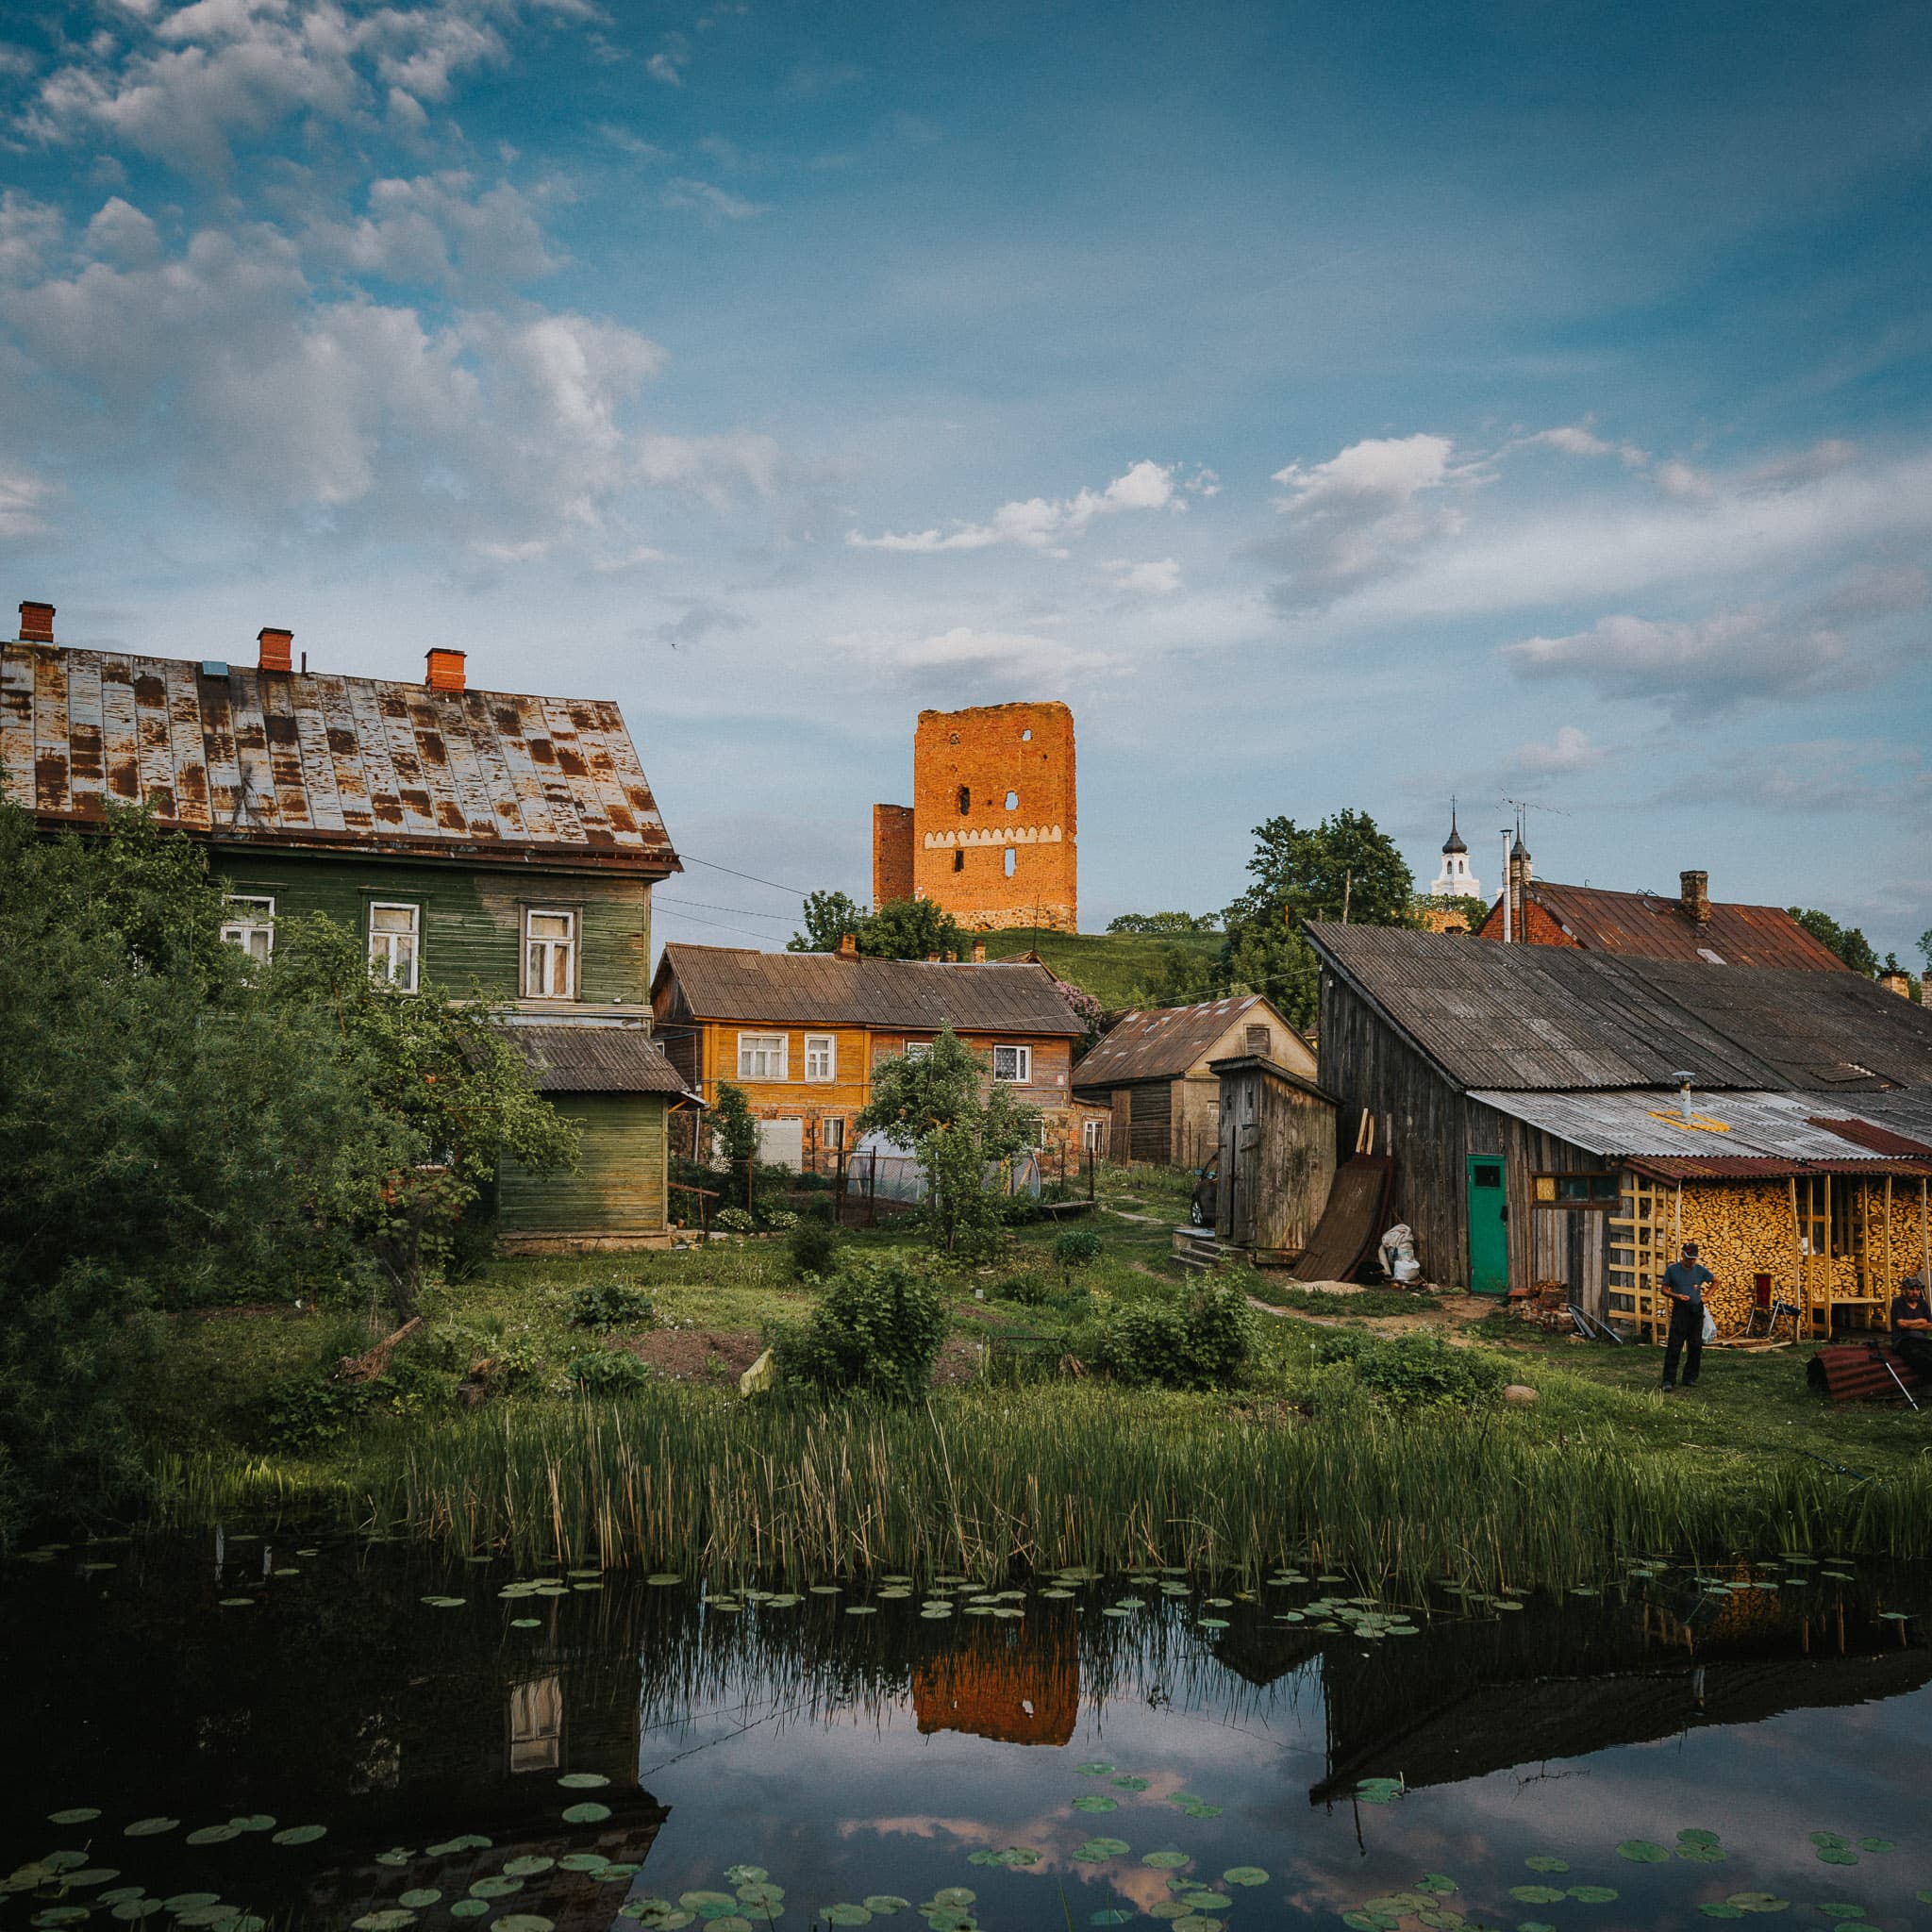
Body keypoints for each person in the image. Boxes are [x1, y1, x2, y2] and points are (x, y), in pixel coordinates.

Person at [1660, 1241, 1714, 1391]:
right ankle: (1668, 1381)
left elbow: (1716, 1281)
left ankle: (1690, 1377)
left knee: (1696, 1346)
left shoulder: (1700, 1270)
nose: (1691, 1261)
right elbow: (1664, 1289)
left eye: (1694, 1258)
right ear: (1683, 1255)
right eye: (1689, 1258)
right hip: (1680, 1311)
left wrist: (1707, 1296)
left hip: (1696, 1311)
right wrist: (1676, 1295)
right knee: (1674, 1346)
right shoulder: (1672, 1270)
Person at [1890, 1274, 1932, 1376]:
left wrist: (1910, 1324)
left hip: (1921, 1340)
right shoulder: (1898, 1303)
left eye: (1917, 1289)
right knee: (1920, 1358)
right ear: (1904, 1290)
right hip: (1903, 1341)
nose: (1915, 1292)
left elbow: (1930, 1326)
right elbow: (1901, 1324)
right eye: (1911, 1289)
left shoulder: (1922, 1304)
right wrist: (1921, 1321)